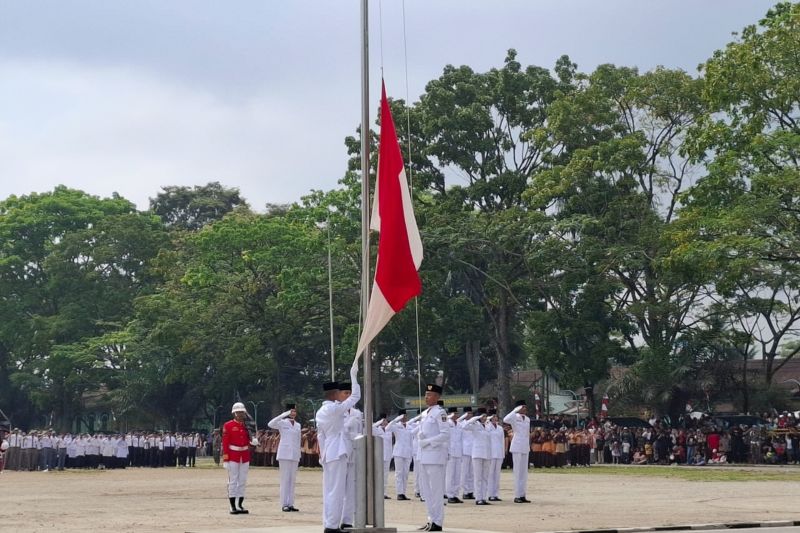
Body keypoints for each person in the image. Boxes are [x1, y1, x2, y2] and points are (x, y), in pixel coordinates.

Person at [315, 364, 361, 533]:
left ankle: (329, 523)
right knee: (336, 490)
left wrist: (322, 454)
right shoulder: (333, 409)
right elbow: (356, 395)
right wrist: (353, 376)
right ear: (334, 394)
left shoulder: (321, 410)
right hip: (338, 451)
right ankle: (332, 526)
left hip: (330, 451)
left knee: (330, 490)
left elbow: (321, 436)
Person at [416, 383, 450, 532]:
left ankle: (438, 522)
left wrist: (428, 442)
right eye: (426, 394)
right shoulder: (425, 413)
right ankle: (430, 519)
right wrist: (421, 437)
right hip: (423, 456)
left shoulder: (440, 413)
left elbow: (445, 434)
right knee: (426, 491)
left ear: (437, 397)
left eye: (429, 395)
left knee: (436, 491)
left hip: (435, 457)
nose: (426, 397)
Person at [222, 402, 258, 515]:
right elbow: (225, 443)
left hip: (244, 456)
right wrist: (226, 459)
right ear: (234, 413)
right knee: (233, 481)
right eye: (238, 412)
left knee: (242, 480)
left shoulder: (247, 426)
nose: (240, 414)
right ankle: (232, 506)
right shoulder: (228, 425)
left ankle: (240, 504)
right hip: (233, 455)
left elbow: (248, 440)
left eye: (242, 412)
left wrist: (253, 443)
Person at [268, 403, 302, 512]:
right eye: (291, 411)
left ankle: (291, 503)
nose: (293, 413)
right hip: (285, 454)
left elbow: (298, 440)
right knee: (285, 479)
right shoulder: (282, 423)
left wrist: (299, 454)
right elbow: (270, 424)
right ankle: (284, 504)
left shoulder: (298, 425)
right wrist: (283, 414)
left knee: (292, 480)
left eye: (295, 411)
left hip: (295, 454)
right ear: (287, 412)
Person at [503, 400, 532, 503]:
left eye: (525, 407)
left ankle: (522, 494)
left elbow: (527, 433)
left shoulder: (527, 419)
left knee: (524, 472)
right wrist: (514, 410)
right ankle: (517, 495)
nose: (525, 409)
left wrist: (529, 445)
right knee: (517, 472)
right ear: (518, 408)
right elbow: (505, 419)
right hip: (517, 445)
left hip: (525, 446)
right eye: (522, 407)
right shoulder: (514, 417)